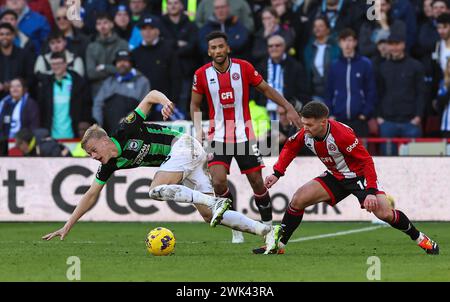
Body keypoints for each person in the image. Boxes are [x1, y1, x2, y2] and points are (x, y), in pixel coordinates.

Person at [41, 90, 275, 246]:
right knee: (208, 216)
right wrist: (66, 226)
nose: (93, 156)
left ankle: (214, 201)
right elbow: (91, 194)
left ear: (104, 140)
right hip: (185, 160)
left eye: (93, 150)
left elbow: (151, 95)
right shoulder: (109, 164)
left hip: (183, 146)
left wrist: (165, 103)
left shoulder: (125, 129)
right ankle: (263, 231)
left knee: (155, 189)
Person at [256, 101, 439, 255]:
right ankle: (279, 245)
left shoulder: (341, 136)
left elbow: (366, 161)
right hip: (336, 175)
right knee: (298, 199)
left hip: (358, 176)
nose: (305, 128)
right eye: (304, 124)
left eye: (309, 125)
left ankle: (421, 238)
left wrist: (370, 192)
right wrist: (277, 172)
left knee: (384, 213)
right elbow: (290, 147)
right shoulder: (306, 134)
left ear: (323, 122)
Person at [190, 31, 302, 243]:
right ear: (209, 51)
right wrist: (198, 128)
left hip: (244, 135)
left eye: (221, 46)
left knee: (257, 183)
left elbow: (267, 89)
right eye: (213, 48)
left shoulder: (244, 68)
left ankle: (268, 228)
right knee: (219, 181)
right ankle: (236, 228)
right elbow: (194, 104)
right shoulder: (201, 74)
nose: (217, 51)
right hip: (218, 136)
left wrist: (288, 107)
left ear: (228, 48)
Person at [376, 31, 425, 155]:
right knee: (386, 164)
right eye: (391, 44)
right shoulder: (382, 67)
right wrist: (379, 117)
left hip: (411, 122)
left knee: (415, 164)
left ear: (403, 45)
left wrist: (418, 116)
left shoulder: (416, 66)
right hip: (387, 122)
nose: (394, 47)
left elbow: (422, 93)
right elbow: (378, 93)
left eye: (397, 44)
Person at [325, 28, 377, 138]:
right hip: (338, 119)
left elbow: (371, 90)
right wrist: (331, 114)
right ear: (340, 43)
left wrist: (365, 113)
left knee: (360, 153)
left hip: (359, 119)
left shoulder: (365, 64)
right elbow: (329, 91)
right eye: (344, 41)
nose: (347, 44)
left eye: (350, 40)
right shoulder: (334, 65)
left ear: (355, 42)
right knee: (339, 153)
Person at [93, 49, 150, 133]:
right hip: (109, 130)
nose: (122, 64)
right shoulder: (109, 82)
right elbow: (97, 104)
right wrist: (98, 124)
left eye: (125, 60)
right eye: (119, 61)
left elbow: (146, 106)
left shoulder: (142, 81)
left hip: (133, 129)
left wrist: (128, 120)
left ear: (131, 63)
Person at [37, 52, 91, 140]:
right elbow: (42, 109)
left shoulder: (78, 82)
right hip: (52, 136)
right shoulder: (46, 84)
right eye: (53, 64)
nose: (56, 66)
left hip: (74, 134)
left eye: (59, 63)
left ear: (65, 64)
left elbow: (86, 105)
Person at [86, 13, 129, 97]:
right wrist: (113, 70)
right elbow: (91, 73)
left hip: (119, 91)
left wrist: (104, 67)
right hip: (98, 93)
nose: (102, 26)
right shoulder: (91, 47)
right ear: (96, 27)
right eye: (99, 24)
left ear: (112, 24)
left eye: (105, 23)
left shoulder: (122, 44)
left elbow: (124, 70)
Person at [0, 78, 39, 155]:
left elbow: (34, 126)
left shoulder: (30, 104)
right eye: (12, 86)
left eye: (18, 86)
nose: (15, 89)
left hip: (24, 145)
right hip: (4, 145)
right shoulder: (5, 104)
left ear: (24, 89)